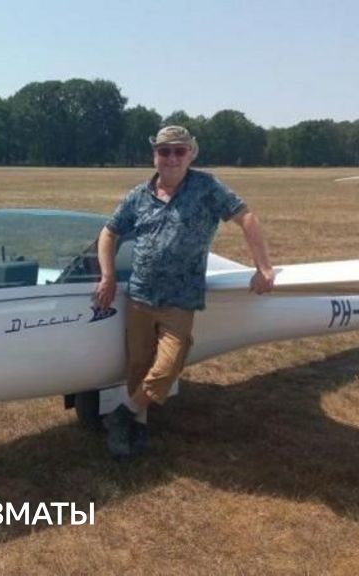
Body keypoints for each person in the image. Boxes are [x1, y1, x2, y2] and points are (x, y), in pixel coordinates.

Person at [93, 125, 275, 459]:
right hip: (139, 297)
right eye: (165, 151)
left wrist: (263, 267)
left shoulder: (207, 188)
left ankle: (122, 413)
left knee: (167, 366)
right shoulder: (139, 195)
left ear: (191, 154)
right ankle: (136, 428)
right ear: (155, 156)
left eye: (179, 151)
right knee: (138, 365)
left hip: (180, 300)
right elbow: (109, 233)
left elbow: (246, 217)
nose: (172, 158)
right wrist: (108, 276)